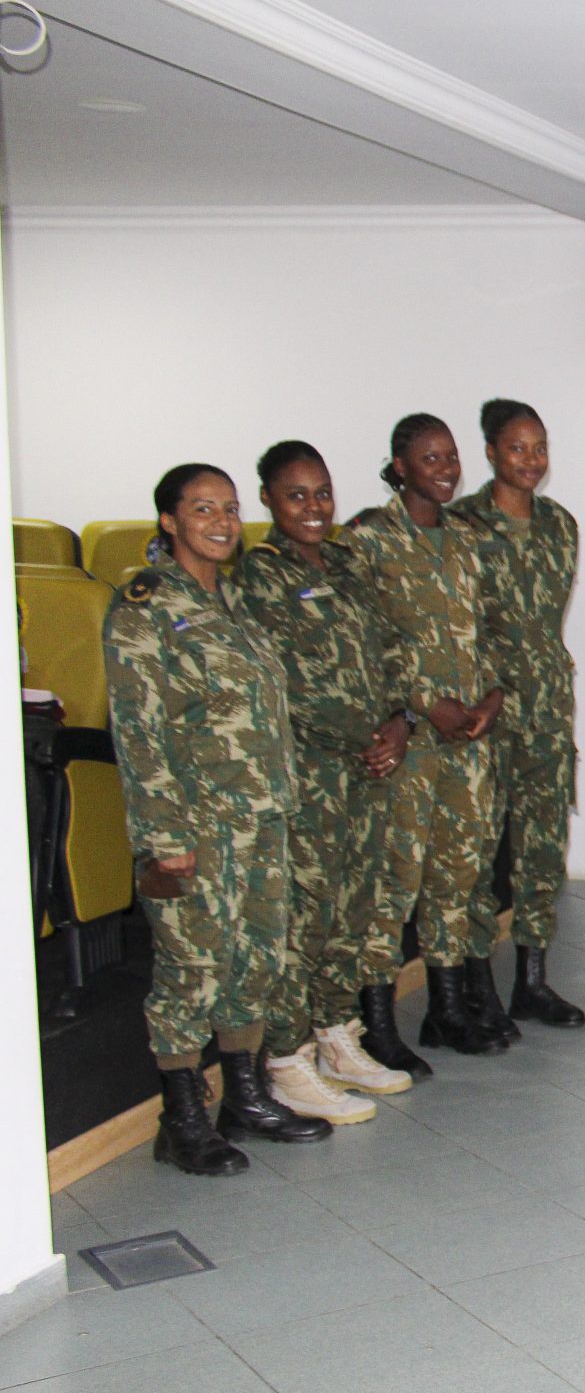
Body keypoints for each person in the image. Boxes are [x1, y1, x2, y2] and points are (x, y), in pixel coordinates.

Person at [104, 464, 331, 1174]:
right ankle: (182, 1120)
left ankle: (245, 1097)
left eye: (229, 509)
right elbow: (140, 735)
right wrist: (163, 840)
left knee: (255, 960)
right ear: (168, 521)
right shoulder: (144, 608)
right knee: (191, 968)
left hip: (261, 818)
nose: (222, 522)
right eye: (203, 509)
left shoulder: (231, 600)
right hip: (195, 827)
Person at [234, 442, 431, 1124]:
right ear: (267, 499)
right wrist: (361, 736)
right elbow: (271, 684)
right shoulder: (256, 577)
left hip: (369, 769)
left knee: (354, 905)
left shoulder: (347, 565)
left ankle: (337, 1036)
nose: (315, 508)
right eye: (297, 495)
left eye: (322, 493)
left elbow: (392, 650)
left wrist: (398, 722)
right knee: (305, 917)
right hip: (310, 774)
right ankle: (288, 1062)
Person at [339, 414, 509, 1056]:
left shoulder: (466, 540)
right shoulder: (368, 539)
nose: (445, 469)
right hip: (408, 739)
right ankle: (378, 1028)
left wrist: (491, 697)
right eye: (429, 458)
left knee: (457, 878)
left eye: (451, 457)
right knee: (395, 882)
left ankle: (445, 1011)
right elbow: (363, 638)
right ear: (400, 465)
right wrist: (420, 702)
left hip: (467, 740)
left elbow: (486, 630)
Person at [447, 398, 585, 1030]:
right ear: (490, 453)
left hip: (548, 710)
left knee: (541, 848)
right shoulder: (460, 527)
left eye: (540, 447)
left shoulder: (561, 525)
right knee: (479, 851)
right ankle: (480, 987)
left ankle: (532, 980)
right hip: (485, 713)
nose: (531, 460)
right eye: (517, 448)